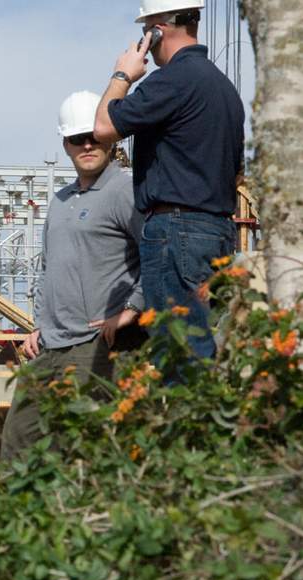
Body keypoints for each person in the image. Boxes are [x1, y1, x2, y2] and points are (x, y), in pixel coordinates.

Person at [94, 0, 244, 360]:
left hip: (175, 230)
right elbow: (237, 172)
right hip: (218, 230)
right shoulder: (224, 90)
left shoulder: (171, 80)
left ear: (158, 28)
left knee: (177, 353)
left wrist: (123, 75)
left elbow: (103, 127)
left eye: (147, 30)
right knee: (203, 346)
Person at [1, 91, 146, 459]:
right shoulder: (61, 200)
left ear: (110, 139)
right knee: (18, 442)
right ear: (64, 144)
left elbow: (156, 251)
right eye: (76, 138)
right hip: (50, 345)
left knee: (84, 448)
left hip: (95, 345)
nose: (86, 145)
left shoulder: (124, 191)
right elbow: (49, 267)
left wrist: (134, 305)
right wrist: (38, 325)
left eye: (94, 137)